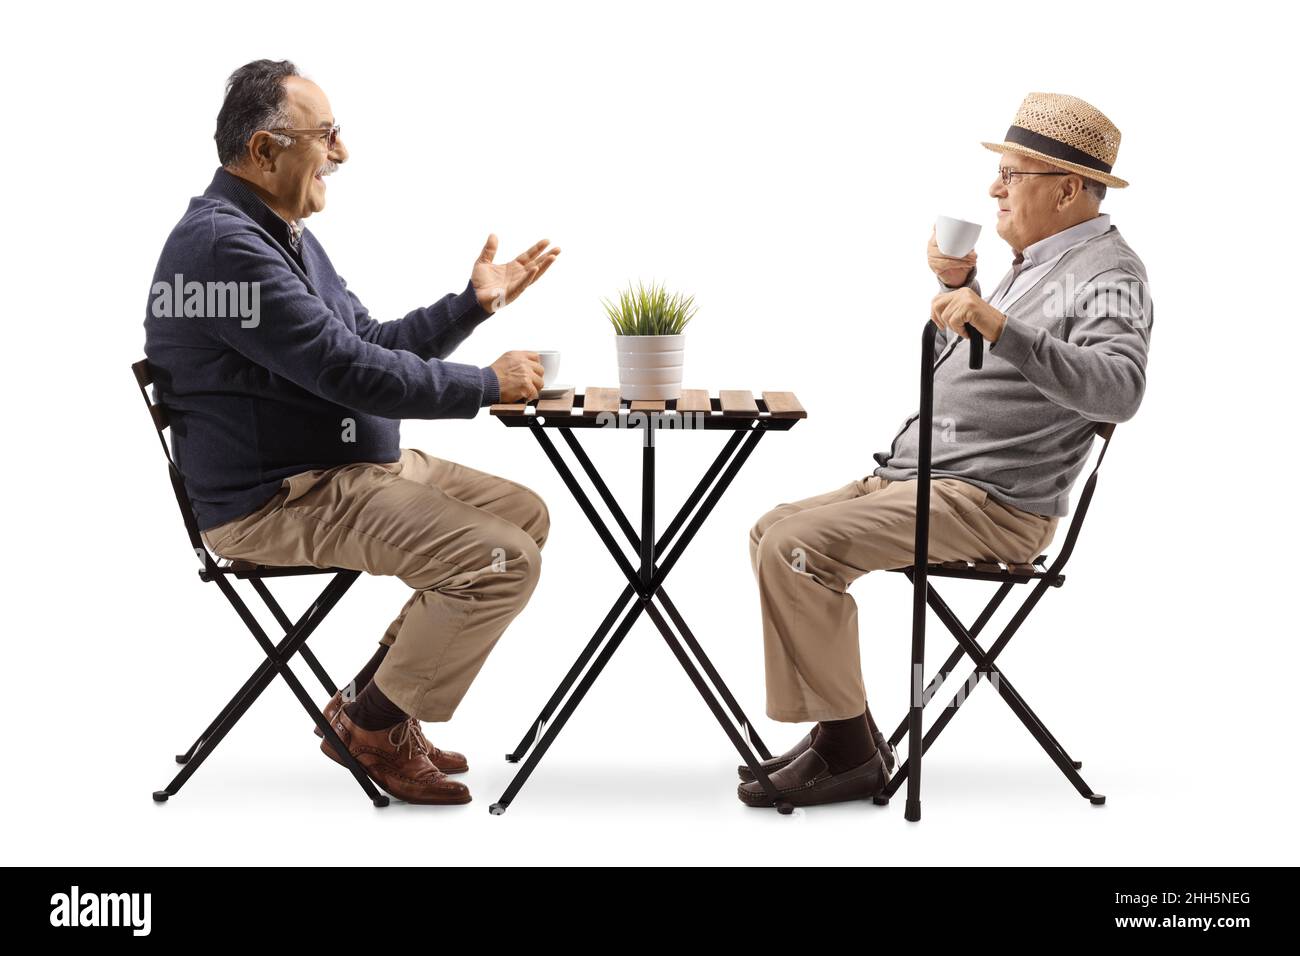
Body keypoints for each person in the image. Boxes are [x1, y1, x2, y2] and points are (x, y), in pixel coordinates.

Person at [144, 60, 560, 806]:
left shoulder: (280, 232)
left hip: (343, 468)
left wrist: (471, 305)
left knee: (523, 516)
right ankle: (373, 727)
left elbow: (366, 339)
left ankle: (371, 703)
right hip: (280, 497)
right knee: (502, 560)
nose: (342, 153)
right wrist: (487, 386)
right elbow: (347, 372)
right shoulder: (224, 250)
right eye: (326, 135)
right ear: (266, 150)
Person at [739, 92, 1153, 808]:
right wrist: (959, 288)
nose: (994, 187)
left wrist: (997, 324)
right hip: (921, 477)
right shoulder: (1037, 261)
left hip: (992, 504)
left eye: (1013, 174)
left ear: (1065, 188)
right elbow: (988, 370)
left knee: (796, 547)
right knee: (772, 528)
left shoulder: (1111, 275)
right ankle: (850, 735)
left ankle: (848, 751)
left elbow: (1119, 389)